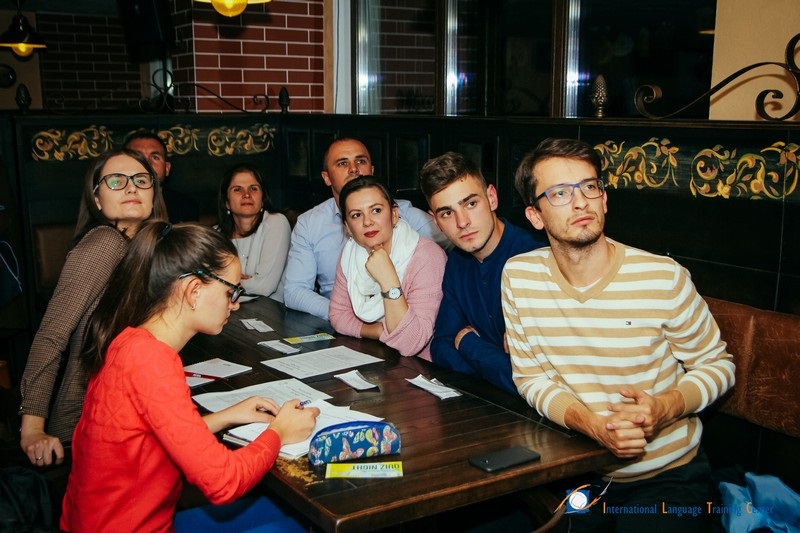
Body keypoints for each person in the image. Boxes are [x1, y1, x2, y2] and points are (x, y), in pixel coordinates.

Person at [502, 138, 736, 531]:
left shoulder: (662, 277)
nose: (581, 202)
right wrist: (590, 424)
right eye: (560, 193)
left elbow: (718, 366)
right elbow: (530, 378)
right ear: (535, 216)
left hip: (667, 476)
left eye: (589, 187)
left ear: (605, 200)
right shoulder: (519, 276)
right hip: (576, 470)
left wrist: (664, 408)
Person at [61, 221, 320, 532]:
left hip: (96, 522)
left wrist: (226, 416)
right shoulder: (152, 361)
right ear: (194, 291)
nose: (235, 304)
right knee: (296, 524)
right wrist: (279, 432)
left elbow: (152, 436)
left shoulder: (129, 342)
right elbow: (223, 482)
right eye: (231, 292)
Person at [19, 148, 167, 467]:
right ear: (97, 200)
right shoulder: (104, 243)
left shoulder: (144, 248)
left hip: (123, 415)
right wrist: (32, 429)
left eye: (141, 180)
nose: (131, 187)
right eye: (116, 181)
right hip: (84, 426)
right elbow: (51, 335)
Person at [419, 151, 546, 393]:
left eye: (470, 204)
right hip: (486, 403)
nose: (462, 222)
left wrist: (468, 343)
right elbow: (442, 346)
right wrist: (494, 363)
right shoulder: (456, 263)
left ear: (492, 198)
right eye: (447, 213)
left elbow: (532, 379)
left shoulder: (535, 259)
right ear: (436, 222)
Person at [283, 137, 449, 320]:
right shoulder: (310, 224)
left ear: (372, 171)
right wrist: (346, 317)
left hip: (401, 319)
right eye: (342, 163)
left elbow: (456, 240)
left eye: (361, 161)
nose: (353, 169)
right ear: (327, 178)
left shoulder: (405, 214)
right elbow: (295, 291)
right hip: (336, 324)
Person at [329, 176, 446, 360]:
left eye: (376, 210)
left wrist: (388, 279)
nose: (367, 222)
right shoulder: (351, 253)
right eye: (356, 215)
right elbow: (338, 315)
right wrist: (378, 331)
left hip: (424, 366)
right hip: (377, 356)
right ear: (348, 227)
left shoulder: (427, 256)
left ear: (394, 214)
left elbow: (411, 343)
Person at [217, 163, 290, 301]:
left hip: (269, 310)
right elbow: (202, 281)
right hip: (225, 309)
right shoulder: (215, 235)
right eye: (237, 189)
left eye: (253, 188)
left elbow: (264, 287)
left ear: (262, 200)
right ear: (226, 202)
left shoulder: (276, 223)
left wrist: (222, 282)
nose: (246, 195)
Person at [125, 130, 200, 223]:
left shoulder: (185, 207)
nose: (147, 164)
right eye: (138, 157)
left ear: (167, 168)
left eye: (155, 157)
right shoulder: (113, 203)